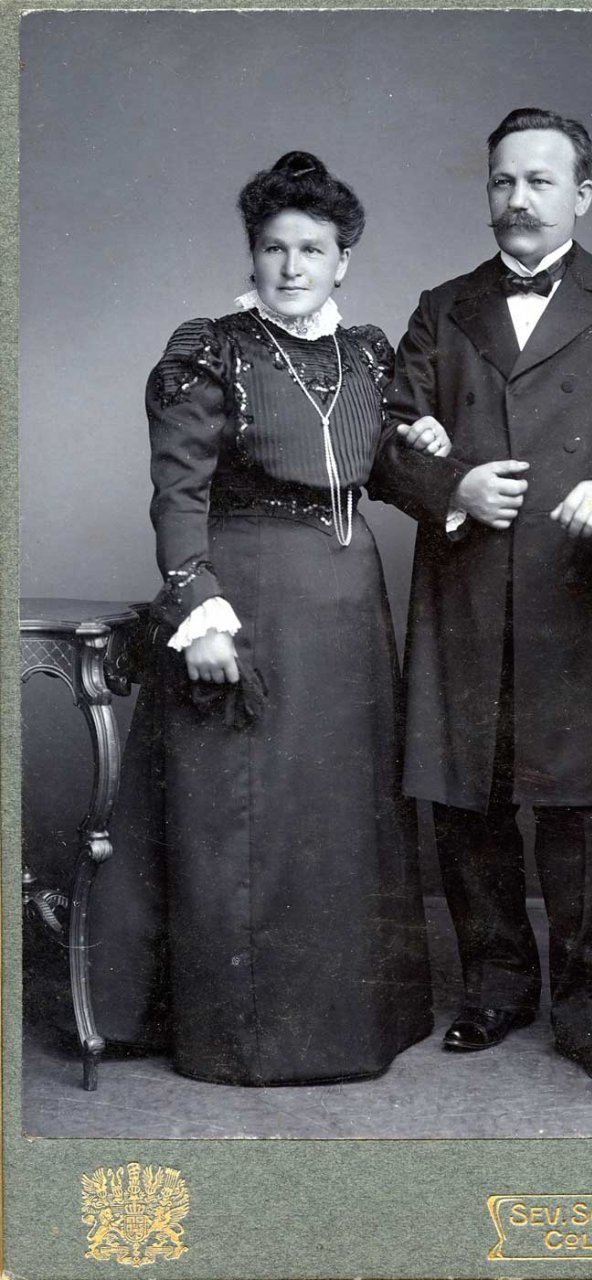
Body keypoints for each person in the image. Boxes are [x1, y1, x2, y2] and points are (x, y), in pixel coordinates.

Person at [368, 108, 592, 1088]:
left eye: (539, 180)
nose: (518, 199)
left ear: (582, 194)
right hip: (469, 591)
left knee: (583, 808)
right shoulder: (443, 307)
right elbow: (383, 438)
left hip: (582, 592)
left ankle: (586, 1001)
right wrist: (454, 487)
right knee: (468, 797)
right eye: (502, 181)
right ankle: (495, 985)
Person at [90, 151, 439, 1086]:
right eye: (275, 248)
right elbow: (178, 494)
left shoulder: (368, 353)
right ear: (253, 254)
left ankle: (352, 1024)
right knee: (249, 817)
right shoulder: (213, 348)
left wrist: (440, 461)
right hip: (248, 602)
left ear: (343, 260)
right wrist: (199, 612)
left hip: (348, 612)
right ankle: (245, 1038)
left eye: (312, 249)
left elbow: (385, 471)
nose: (292, 266)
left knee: (341, 814)